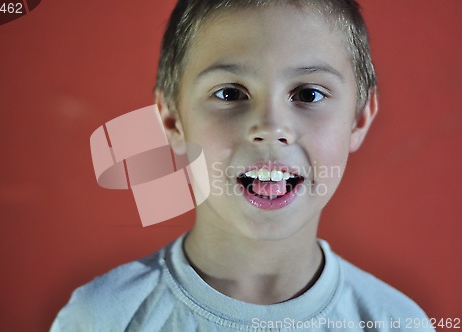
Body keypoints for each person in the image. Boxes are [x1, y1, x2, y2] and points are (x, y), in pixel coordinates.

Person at [52, 0, 434, 330]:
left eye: (308, 94)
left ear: (359, 118)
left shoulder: (396, 321)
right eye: (230, 93)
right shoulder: (102, 318)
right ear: (172, 120)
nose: (270, 129)